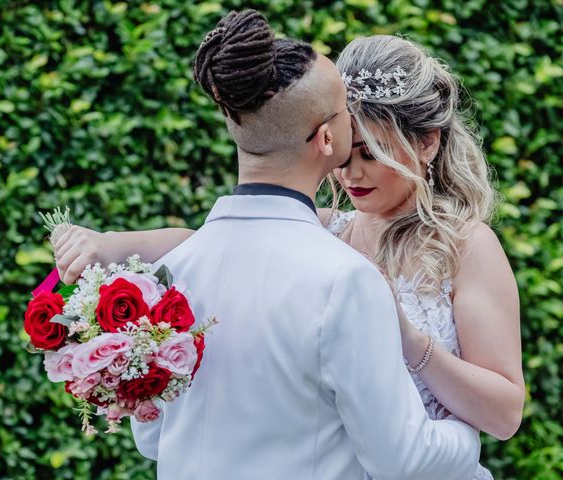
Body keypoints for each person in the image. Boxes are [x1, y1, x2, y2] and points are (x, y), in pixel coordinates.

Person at [55, 11, 481, 479]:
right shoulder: (348, 279)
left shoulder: (171, 271)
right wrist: (463, 432)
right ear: (325, 138)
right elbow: (403, 459)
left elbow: (154, 436)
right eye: (344, 109)